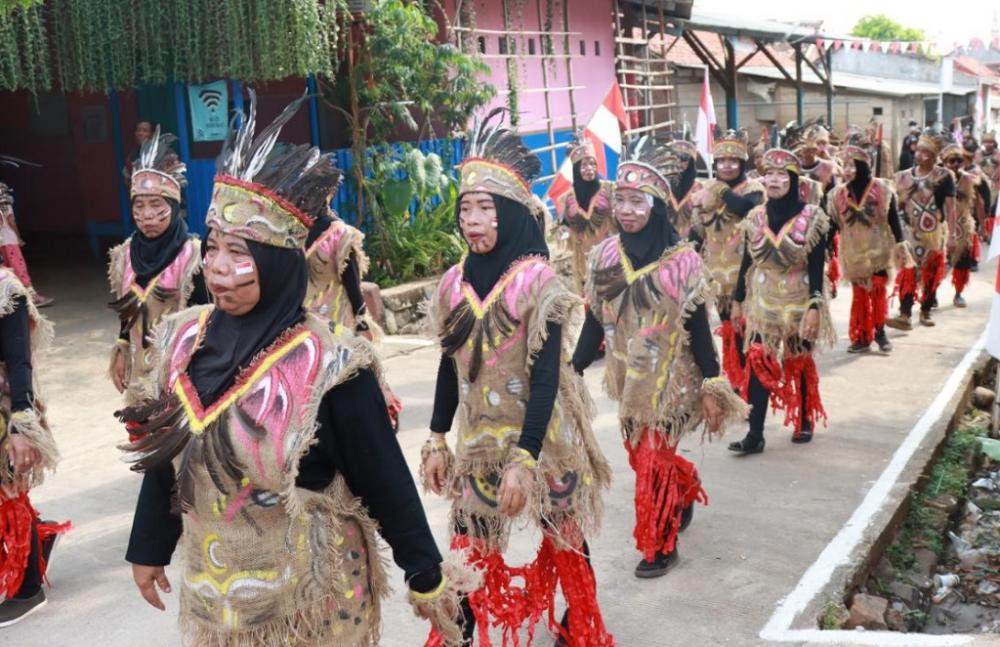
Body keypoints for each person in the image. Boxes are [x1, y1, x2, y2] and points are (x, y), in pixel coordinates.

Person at [119, 91, 473, 646]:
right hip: (221, 596)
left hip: (318, 599)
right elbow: (171, 458)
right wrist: (147, 546)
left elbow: (384, 478)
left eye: (239, 253)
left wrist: (425, 575)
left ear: (279, 261)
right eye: (212, 248)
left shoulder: (329, 364)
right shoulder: (185, 341)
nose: (216, 268)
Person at [422, 109, 613, 646]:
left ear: (508, 211)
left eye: (485, 208)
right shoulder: (452, 285)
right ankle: (456, 635)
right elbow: (446, 363)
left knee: (565, 538)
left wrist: (526, 459)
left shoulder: (539, 284)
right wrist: (436, 438)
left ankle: (580, 626)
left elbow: (548, 381)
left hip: (545, 440)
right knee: (468, 548)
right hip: (481, 444)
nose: (472, 219)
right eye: (465, 209)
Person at [572, 136, 747, 579]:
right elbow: (596, 316)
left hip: (672, 379)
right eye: (622, 201)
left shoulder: (682, 262)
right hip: (628, 378)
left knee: (650, 461)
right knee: (639, 454)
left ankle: (658, 544)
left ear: (656, 206)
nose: (627, 210)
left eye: (638, 201)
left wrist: (713, 382)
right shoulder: (604, 257)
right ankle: (684, 485)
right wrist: (571, 367)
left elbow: (697, 325)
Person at [728, 148, 835, 455]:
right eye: (768, 174)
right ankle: (755, 433)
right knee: (759, 360)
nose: (773, 180)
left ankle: (803, 419)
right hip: (763, 303)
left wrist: (816, 306)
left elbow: (817, 267)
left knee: (797, 361)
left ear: (792, 179)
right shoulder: (755, 217)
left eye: (780, 174)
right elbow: (747, 263)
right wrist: (737, 300)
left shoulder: (813, 217)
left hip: (799, 302)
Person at [107, 130, 207, 411]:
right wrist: (122, 346)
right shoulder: (125, 254)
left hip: (183, 376)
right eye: (139, 205)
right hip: (141, 374)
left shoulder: (193, 257)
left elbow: (206, 320)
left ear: (174, 207)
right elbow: (129, 309)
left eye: (156, 205)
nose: (147, 215)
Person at [0, 263, 69, 626]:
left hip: (5, 409)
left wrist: (22, 424)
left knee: (7, 496)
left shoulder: (6, 289)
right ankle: (40, 540)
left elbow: (19, 362)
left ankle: (27, 590)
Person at [690, 130, 765, 386]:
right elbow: (697, 232)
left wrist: (720, 190)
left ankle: (751, 386)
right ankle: (736, 383)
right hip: (717, 281)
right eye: (722, 161)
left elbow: (746, 209)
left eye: (733, 161)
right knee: (729, 333)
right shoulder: (705, 192)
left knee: (747, 334)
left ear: (742, 163)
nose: (727, 165)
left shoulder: (754, 189)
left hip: (747, 278)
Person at [827, 143, 908, 354]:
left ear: (863, 166)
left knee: (878, 292)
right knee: (860, 295)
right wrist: (826, 245)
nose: (847, 170)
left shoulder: (882, 188)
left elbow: (893, 218)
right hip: (853, 254)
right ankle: (862, 336)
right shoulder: (837, 195)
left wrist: (901, 242)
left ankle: (880, 332)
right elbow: (832, 223)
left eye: (852, 165)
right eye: (844, 165)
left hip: (879, 252)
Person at [886, 131, 957, 329]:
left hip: (935, 234)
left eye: (926, 152)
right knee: (908, 271)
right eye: (918, 151)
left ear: (935, 156)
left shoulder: (944, 176)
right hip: (910, 233)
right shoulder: (902, 177)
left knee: (931, 272)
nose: (920, 155)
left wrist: (952, 235)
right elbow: (895, 207)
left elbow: (951, 208)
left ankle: (925, 310)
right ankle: (905, 314)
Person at [556, 131, 615, 294]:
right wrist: (564, 232)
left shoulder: (610, 190)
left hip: (608, 257)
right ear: (576, 169)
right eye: (584, 165)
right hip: (582, 261)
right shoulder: (567, 198)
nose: (589, 169)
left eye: (592, 164)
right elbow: (562, 229)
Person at [943, 143, 987, 307]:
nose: (955, 164)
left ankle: (958, 293)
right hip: (941, 228)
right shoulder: (938, 178)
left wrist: (982, 226)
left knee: (962, 263)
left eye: (958, 160)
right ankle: (930, 296)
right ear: (944, 161)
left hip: (964, 227)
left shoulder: (970, 179)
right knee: (935, 264)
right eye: (951, 160)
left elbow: (979, 203)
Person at [0, 183, 52, 308]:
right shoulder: (5, 205)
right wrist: (18, 237)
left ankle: (8, 298)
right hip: (9, 241)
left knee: (5, 271)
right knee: (19, 268)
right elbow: (11, 221)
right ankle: (32, 297)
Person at [665, 139, 702, 238]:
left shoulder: (699, 189)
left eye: (684, 159)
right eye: (675, 157)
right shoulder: (661, 186)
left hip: (691, 241)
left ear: (691, 162)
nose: (679, 163)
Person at [122, 119, 157, 188]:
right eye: (138, 130)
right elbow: (126, 178)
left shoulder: (163, 153)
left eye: (145, 131)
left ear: (152, 135)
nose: (140, 133)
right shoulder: (133, 155)